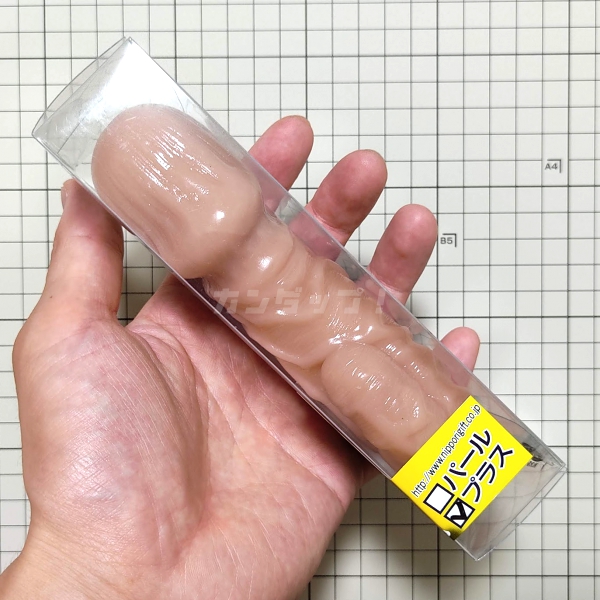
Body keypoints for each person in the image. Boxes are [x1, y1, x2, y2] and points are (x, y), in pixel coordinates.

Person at [0, 116, 479, 599]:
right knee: (373, 373)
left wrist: (89, 575)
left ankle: (455, 449)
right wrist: (91, 572)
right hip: (343, 345)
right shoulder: (220, 228)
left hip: (345, 334)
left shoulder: (218, 233)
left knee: (385, 370)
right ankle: (454, 450)